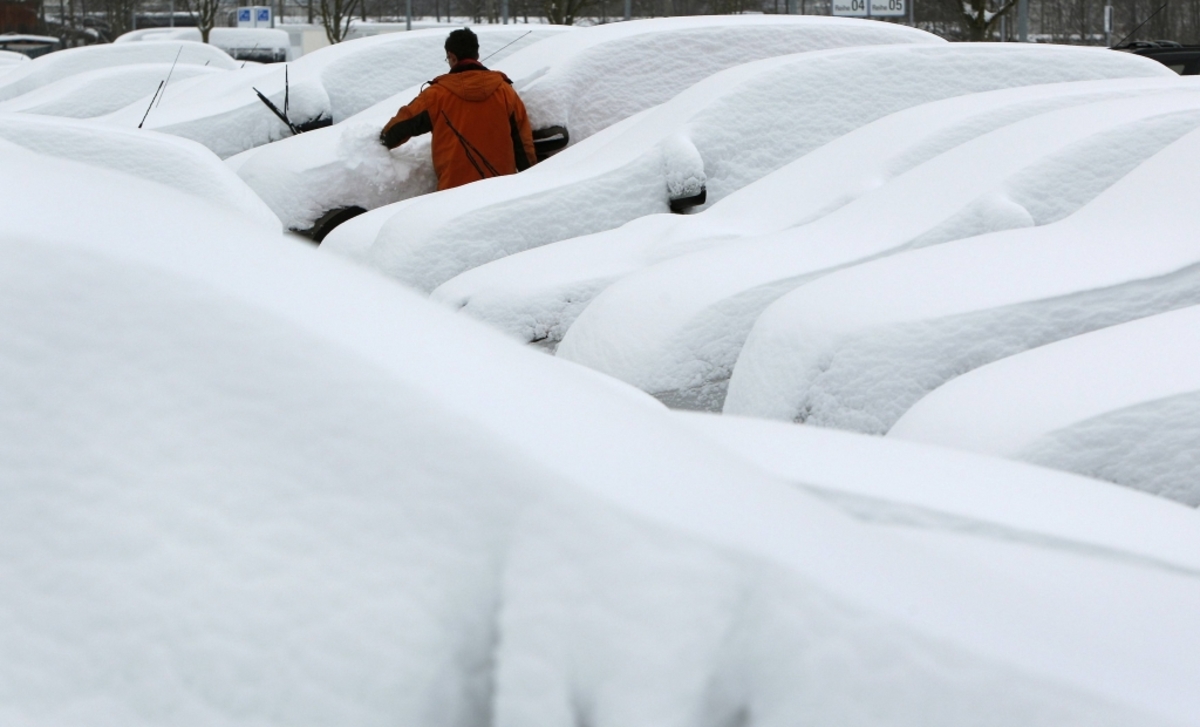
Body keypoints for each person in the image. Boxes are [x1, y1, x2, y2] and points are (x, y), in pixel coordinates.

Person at [380, 28, 538, 191]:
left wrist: (378, 142)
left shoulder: (436, 95)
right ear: (476, 55)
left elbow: (398, 129)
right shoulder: (505, 92)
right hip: (500, 192)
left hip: (453, 195)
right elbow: (524, 145)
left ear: (452, 57)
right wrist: (529, 181)